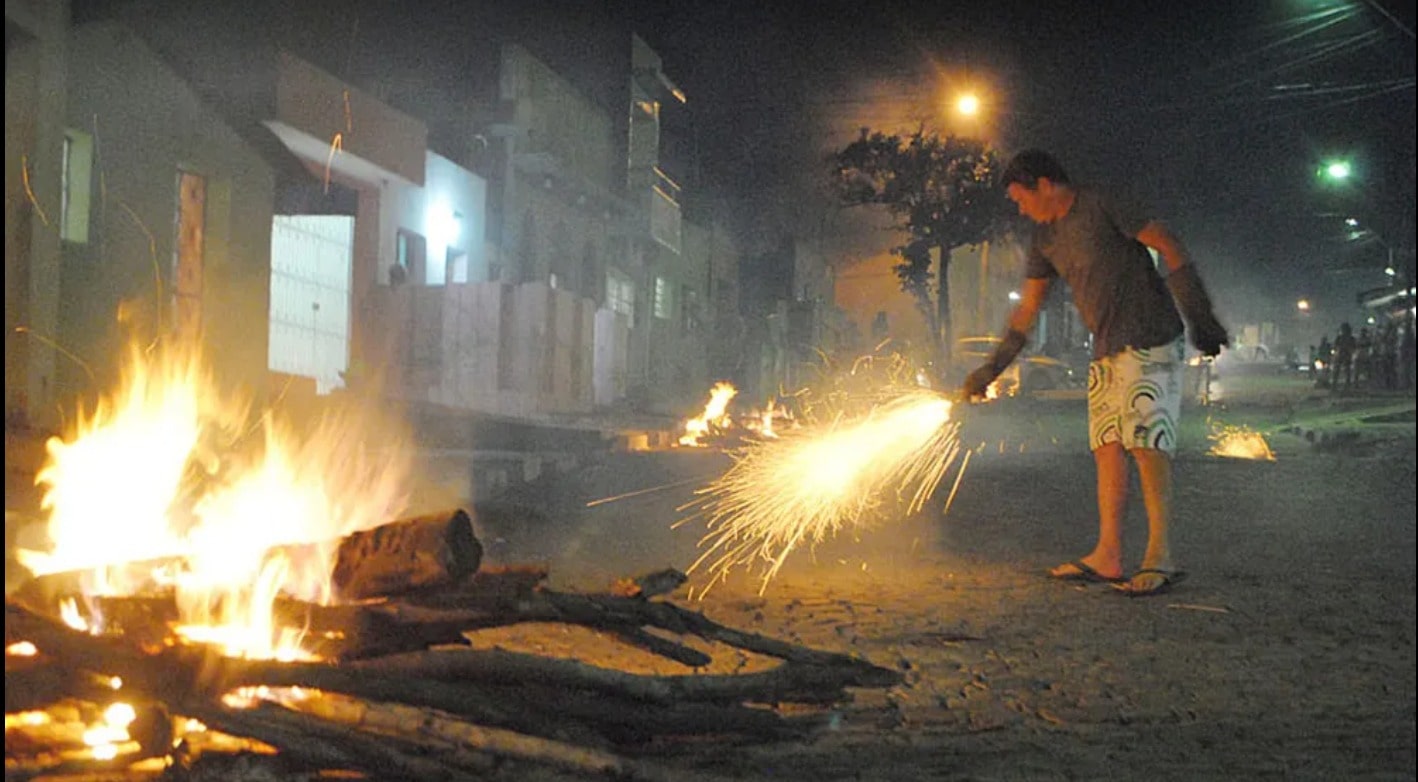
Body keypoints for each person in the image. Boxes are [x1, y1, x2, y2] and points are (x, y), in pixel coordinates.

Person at [962, 150, 1229, 597]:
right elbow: (1028, 309)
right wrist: (992, 367)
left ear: (1044, 184)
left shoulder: (1101, 205)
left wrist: (1200, 316)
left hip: (1151, 336)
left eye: (1021, 198)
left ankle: (1159, 555)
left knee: (1147, 444)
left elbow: (1167, 244)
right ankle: (1109, 555)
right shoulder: (1045, 239)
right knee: (1106, 446)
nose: (1021, 209)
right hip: (1106, 349)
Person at [1333, 323, 1356, 392]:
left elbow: (1353, 347)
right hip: (1342, 355)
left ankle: (1345, 385)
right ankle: (1336, 385)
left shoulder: (1349, 338)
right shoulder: (1341, 338)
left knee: (1345, 371)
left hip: (1345, 355)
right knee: (1340, 370)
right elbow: (1335, 346)